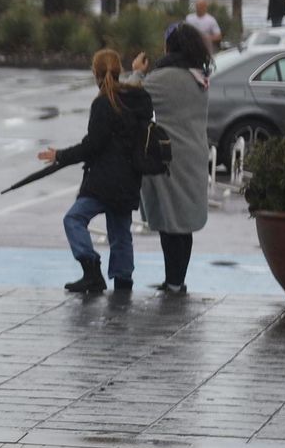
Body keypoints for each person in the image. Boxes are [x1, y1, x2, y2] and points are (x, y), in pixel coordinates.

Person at [37, 49, 151, 294]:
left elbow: (92, 145)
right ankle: (123, 283)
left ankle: (91, 270)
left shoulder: (103, 104)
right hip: (130, 178)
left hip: (103, 181)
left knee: (74, 219)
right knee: (120, 233)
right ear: (119, 71)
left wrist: (60, 155)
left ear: (95, 74)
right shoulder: (138, 99)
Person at [134, 23, 212, 293]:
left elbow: (128, 96)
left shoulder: (161, 78)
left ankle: (174, 282)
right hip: (196, 154)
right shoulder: (200, 76)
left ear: (170, 46)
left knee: (170, 221)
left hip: (169, 157)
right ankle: (176, 281)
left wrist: (137, 71)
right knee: (184, 223)